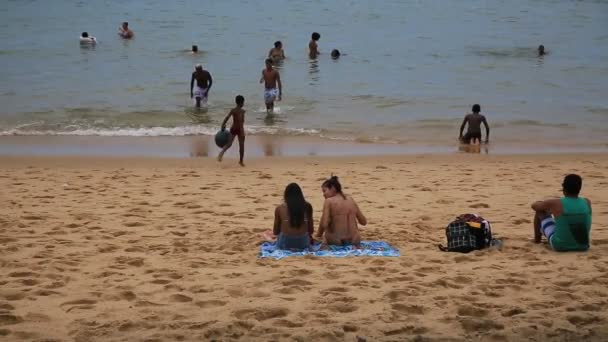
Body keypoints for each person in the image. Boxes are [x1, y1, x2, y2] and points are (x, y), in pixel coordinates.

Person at [531, 174, 592, 251]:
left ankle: (537, 241)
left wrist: (542, 203)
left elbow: (534, 206)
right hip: (583, 246)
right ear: (580, 188)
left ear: (563, 187)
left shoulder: (556, 203)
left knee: (540, 211)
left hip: (560, 245)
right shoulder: (587, 202)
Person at [317, 176, 367, 246]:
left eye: (324, 191)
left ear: (333, 188)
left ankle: (319, 235)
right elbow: (363, 222)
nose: (323, 194)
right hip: (354, 240)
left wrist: (319, 234)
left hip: (337, 241)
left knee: (326, 219)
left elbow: (325, 224)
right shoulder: (351, 199)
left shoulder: (329, 201)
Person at [273, 183, 314, 250]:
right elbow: (311, 231)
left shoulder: (279, 208)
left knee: (269, 234)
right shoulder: (307, 207)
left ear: (286, 195)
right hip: (302, 243)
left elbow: (275, 231)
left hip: (285, 244)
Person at [218, 95, 246, 166]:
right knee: (241, 146)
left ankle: (221, 153)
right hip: (240, 130)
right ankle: (241, 161)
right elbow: (241, 122)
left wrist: (223, 124)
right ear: (241, 103)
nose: (243, 104)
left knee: (229, 144)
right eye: (243, 102)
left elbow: (227, 118)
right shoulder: (242, 111)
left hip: (233, 128)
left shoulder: (233, 110)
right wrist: (242, 131)